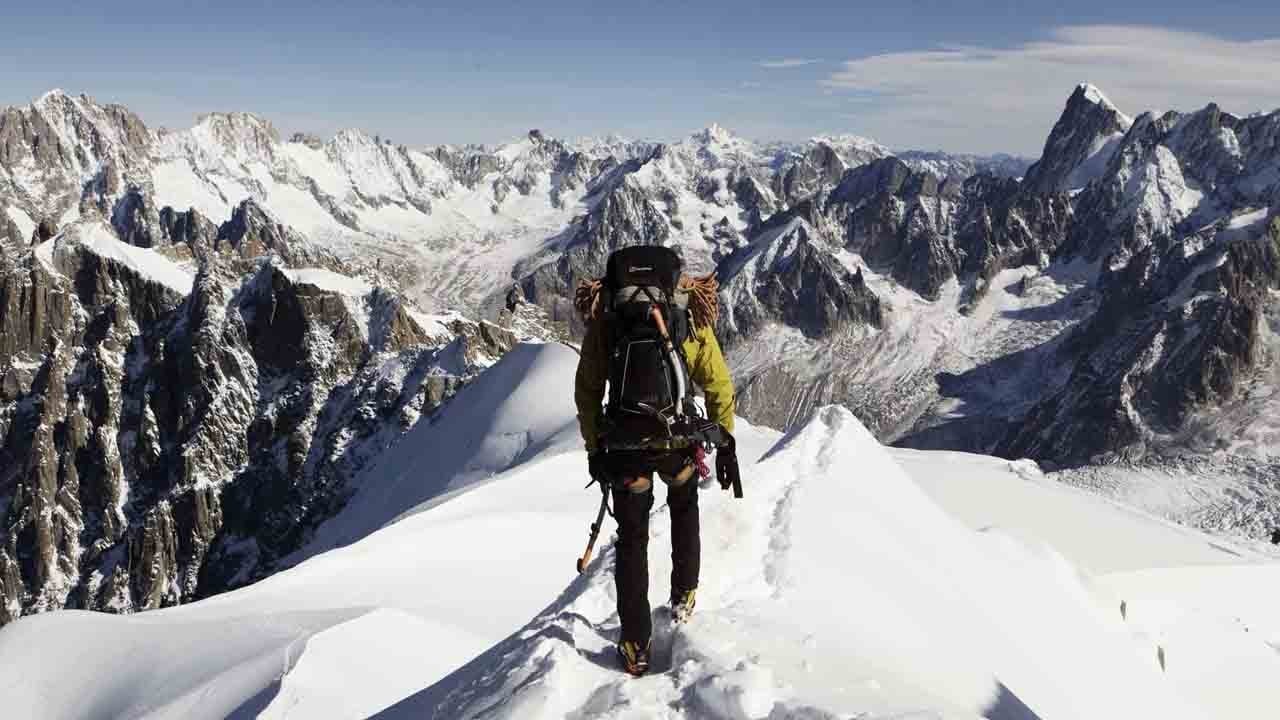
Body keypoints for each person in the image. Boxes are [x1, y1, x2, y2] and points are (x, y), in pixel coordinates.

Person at [574, 245, 738, 677]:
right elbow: (717, 383)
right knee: (684, 507)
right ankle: (684, 596)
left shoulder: (609, 316)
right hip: (675, 438)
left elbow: (587, 390)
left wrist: (594, 447)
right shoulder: (685, 313)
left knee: (632, 538)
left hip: (625, 442)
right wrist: (726, 439)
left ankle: (635, 644)